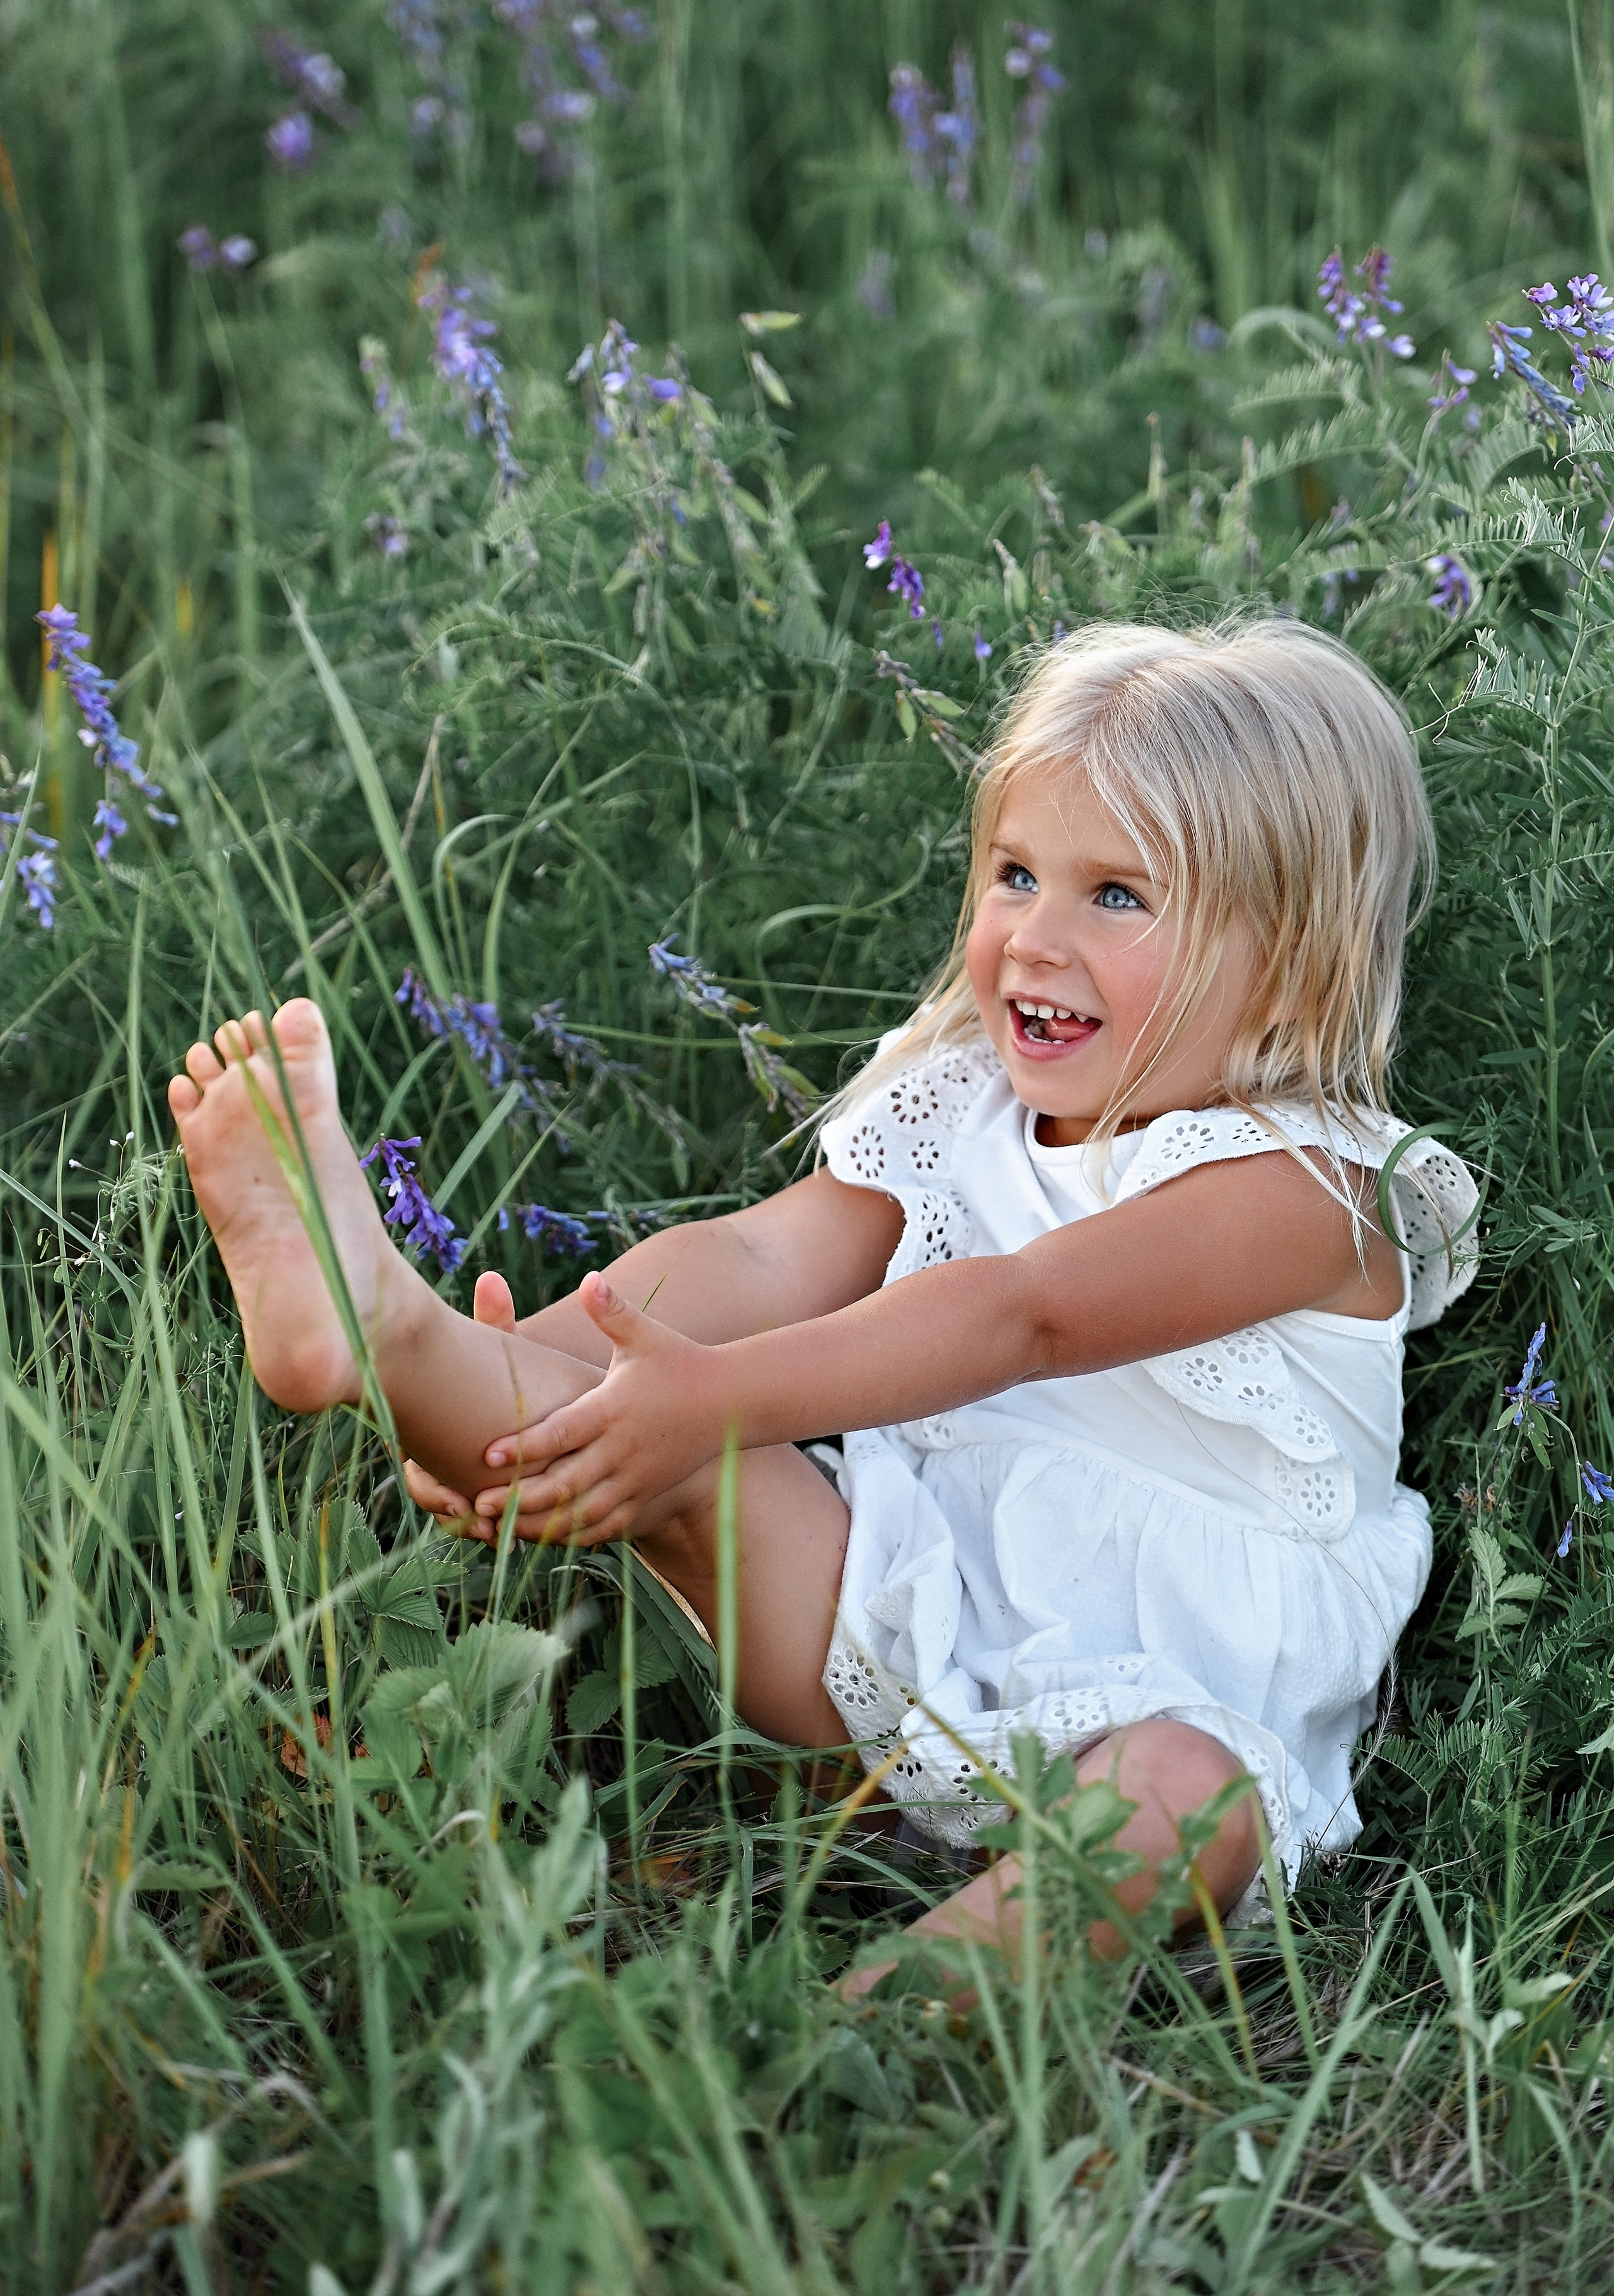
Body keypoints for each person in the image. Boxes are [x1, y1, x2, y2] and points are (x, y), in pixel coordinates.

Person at [167, 618, 1477, 1986]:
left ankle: (880, 2028)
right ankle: (389, 1339)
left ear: (1282, 953)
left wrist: (706, 1398)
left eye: (1115, 897)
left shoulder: (1311, 1190)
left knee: (1179, 1793)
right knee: (688, 1456)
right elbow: (753, 1261)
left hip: (1175, 1698)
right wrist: (540, 1360)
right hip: (900, 1628)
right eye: (1015, 873)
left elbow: (1021, 1312)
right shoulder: (960, 1105)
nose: (1032, 937)